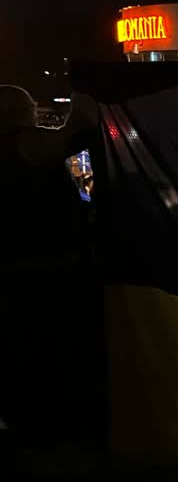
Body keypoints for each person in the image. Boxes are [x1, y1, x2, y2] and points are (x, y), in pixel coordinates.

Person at [0, 86, 101, 444]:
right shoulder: (27, 143)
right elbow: (83, 174)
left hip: (15, 271)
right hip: (49, 273)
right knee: (51, 354)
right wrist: (87, 90)